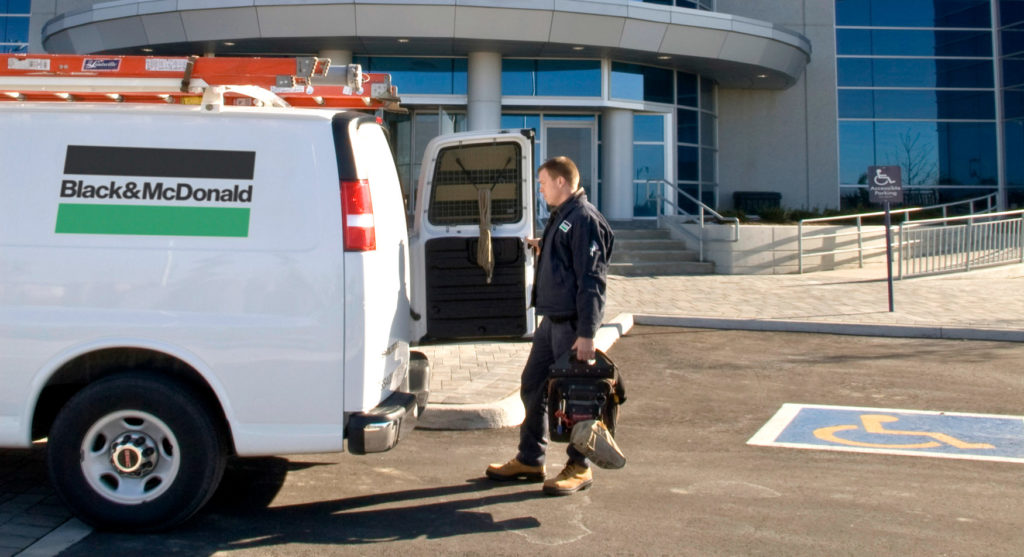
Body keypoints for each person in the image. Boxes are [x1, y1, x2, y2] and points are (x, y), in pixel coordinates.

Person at [485, 156, 614, 496]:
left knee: (577, 399)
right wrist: (545, 247)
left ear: (561, 182)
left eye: (542, 184)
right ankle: (530, 458)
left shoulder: (584, 218)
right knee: (532, 385)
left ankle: (579, 466)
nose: (540, 190)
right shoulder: (565, 216)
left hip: (572, 327)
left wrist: (587, 334)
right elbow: (569, 260)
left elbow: (592, 280)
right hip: (550, 323)